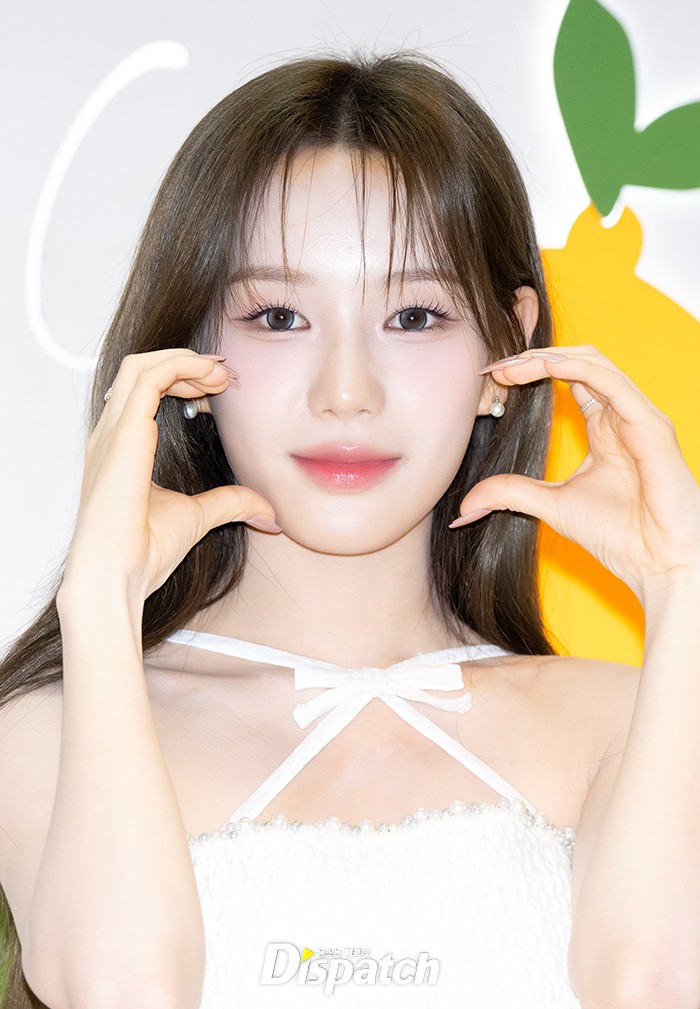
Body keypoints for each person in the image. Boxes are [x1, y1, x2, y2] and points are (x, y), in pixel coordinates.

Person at [1, 49, 699, 1009]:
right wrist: (100, 599)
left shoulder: (622, 721)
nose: (345, 392)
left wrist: (684, 589)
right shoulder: (52, 727)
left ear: (507, 347)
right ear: (191, 350)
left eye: (413, 315)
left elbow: (663, 986)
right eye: (279, 316)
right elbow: (122, 993)